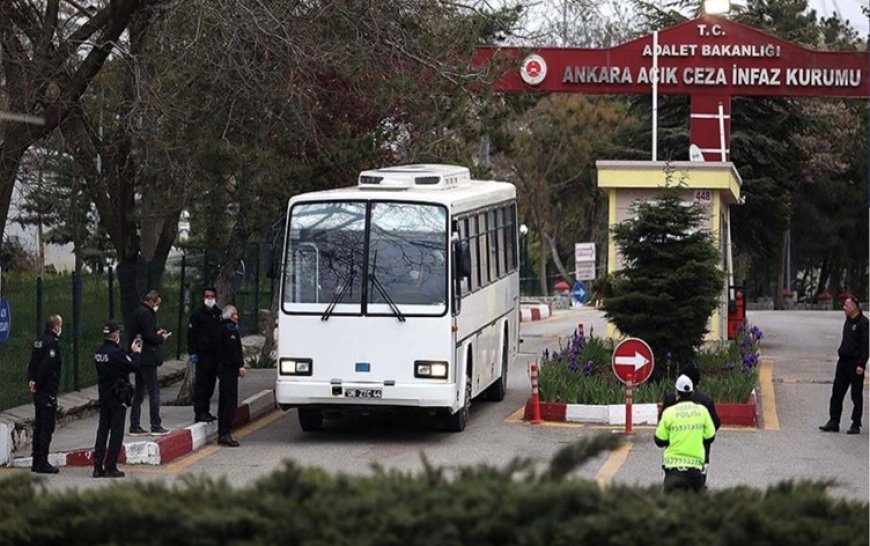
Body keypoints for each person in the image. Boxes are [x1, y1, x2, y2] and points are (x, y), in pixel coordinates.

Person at [93, 321, 142, 478]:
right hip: (117, 395)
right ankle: (110, 466)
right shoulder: (117, 354)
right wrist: (136, 353)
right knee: (116, 432)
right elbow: (133, 366)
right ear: (115, 336)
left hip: (104, 395)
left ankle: (97, 466)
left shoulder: (99, 353)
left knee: (102, 430)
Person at [659, 363, 721, 483]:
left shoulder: (670, 400)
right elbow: (714, 427)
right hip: (699, 459)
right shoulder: (706, 401)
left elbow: (661, 430)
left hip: (673, 462)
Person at [819, 296, 868, 435]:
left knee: (856, 395)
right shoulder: (847, 321)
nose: (844, 308)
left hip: (855, 364)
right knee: (837, 392)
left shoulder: (863, 323)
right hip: (843, 362)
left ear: (854, 307)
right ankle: (834, 421)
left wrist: (861, 364)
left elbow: (865, 346)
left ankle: (856, 423)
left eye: (846, 305)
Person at [127, 290, 171, 436]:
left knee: (139, 392)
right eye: (157, 304)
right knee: (154, 391)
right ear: (152, 301)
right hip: (147, 358)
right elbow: (149, 336)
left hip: (139, 357)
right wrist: (161, 338)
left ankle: (134, 425)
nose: (157, 307)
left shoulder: (137, 312)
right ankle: (155, 424)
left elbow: (141, 334)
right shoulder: (146, 314)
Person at [27, 315, 63, 474]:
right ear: (55, 326)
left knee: (39, 426)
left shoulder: (38, 341)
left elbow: (32, 364)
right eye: (60, 325)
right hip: (47, 390)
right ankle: (42, 461)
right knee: (46, 427)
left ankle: (36, 461)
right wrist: (38, 383)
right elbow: (47, 367)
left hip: (38, 390)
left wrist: (31, 381)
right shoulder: (52, 344)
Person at [187, 287, 222, 423]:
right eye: (207, 296)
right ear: (203, 297)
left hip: (215, 354)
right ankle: (199, 412)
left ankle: (206, 411)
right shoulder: (197, 314)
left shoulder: (217, 313)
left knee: (211, 384)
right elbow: (191, 335)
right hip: (202, 354)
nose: (210, 299)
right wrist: (192, 352)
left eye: (212, 296)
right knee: (202, 384)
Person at [216, 305, 246, 447]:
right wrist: (240, 365)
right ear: (230, 315)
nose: (237, 317)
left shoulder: (221, 327)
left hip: (223, 369)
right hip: (229, 370)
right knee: (229, 403)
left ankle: (223, 433)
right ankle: (225, 434)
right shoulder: (230, 329)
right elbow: (233, 350)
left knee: (224, 401)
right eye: (235, 314)